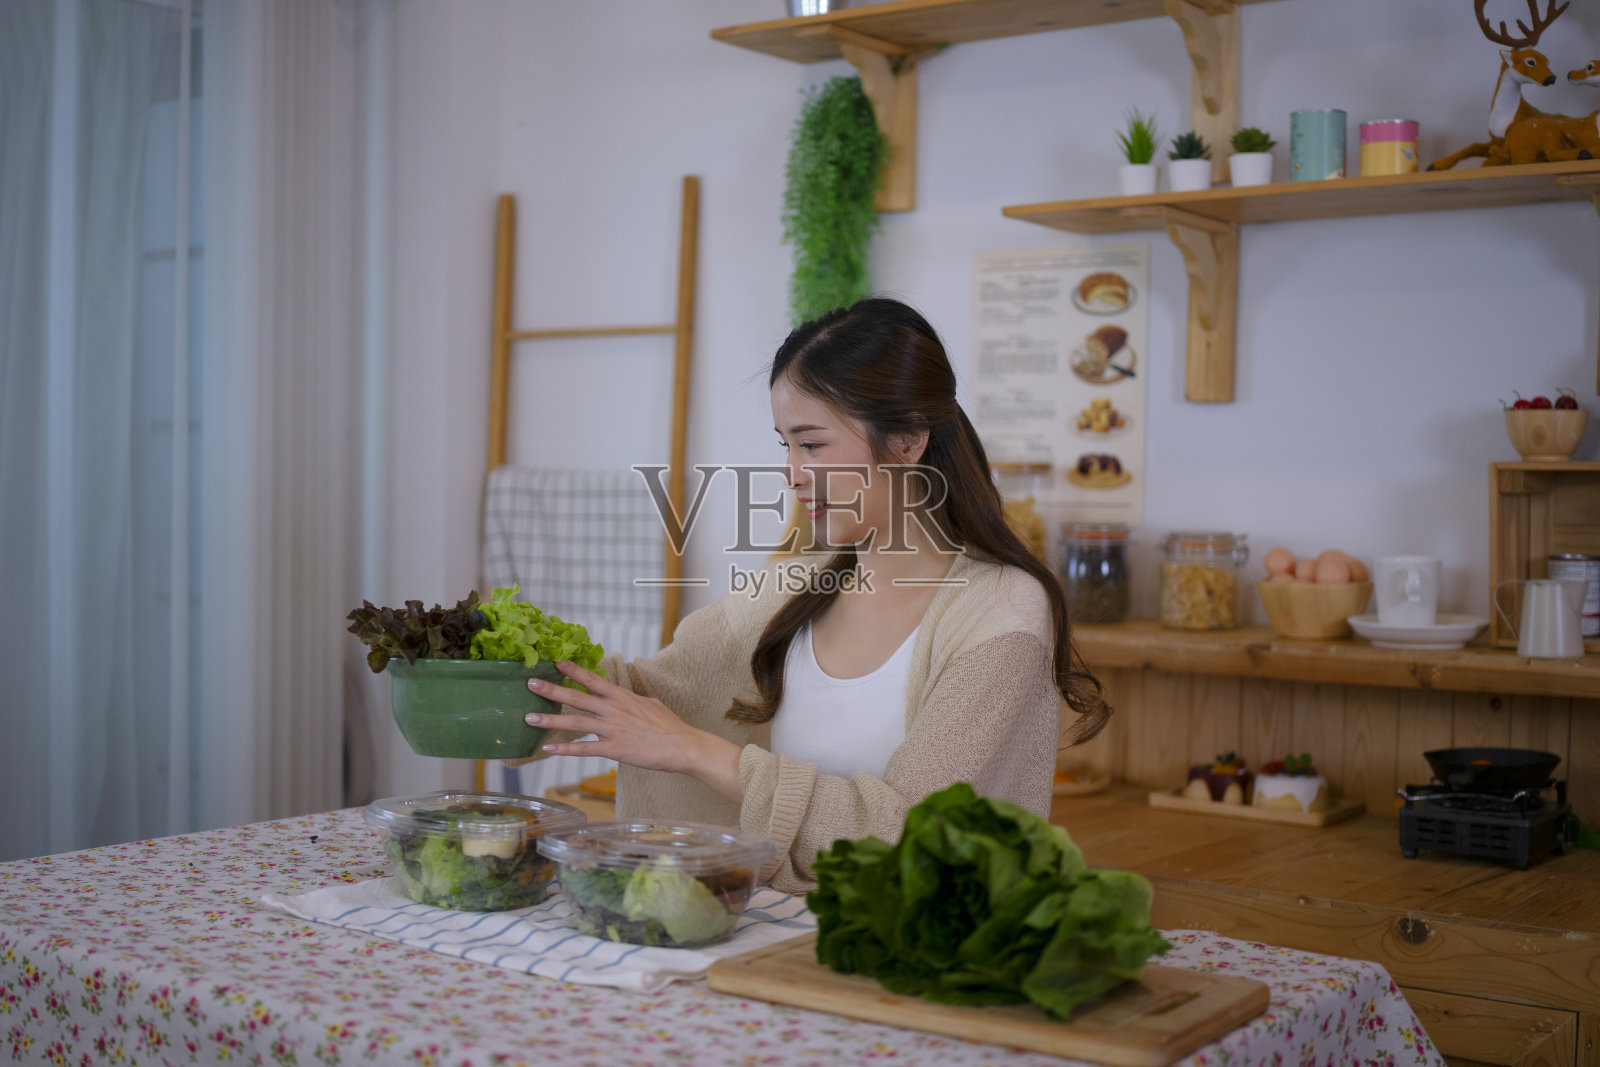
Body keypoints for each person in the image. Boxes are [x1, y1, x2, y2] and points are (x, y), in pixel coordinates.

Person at [521, 298, 1109, 892]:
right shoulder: (790, 587)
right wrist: (497, 684)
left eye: (813, 444)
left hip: (914, 960)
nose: (792, 474)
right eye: (786, 445)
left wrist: (697, 752)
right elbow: (649, 693)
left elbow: (914, 832)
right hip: (770, 943)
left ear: (907, 439)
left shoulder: (1003, 612)